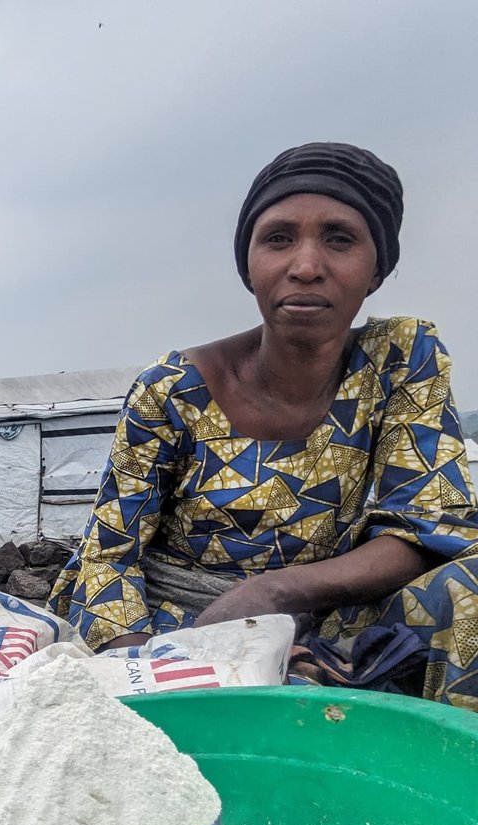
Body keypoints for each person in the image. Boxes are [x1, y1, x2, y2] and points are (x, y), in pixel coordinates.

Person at [51, 143, 478, 708]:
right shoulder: (174, 389)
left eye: (339, 239)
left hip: (322, 615)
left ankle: (448, 759)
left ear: (377, 269)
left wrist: (273, 591)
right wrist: (149, 679)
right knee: (269, 713)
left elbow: (427, 526)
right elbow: (108, 558)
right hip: (179, 623)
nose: (306, 266)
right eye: (278, 239)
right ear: (248, 265)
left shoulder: (400, 360)